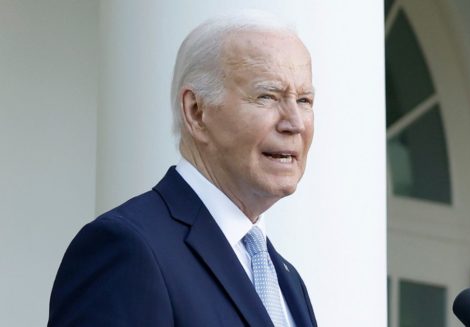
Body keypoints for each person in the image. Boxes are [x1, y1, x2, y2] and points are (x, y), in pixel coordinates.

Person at [48, 10, 317, 327]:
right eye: (267, 96)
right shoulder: (128, 248)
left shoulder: (287, 279)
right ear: (196, 112)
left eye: (304, 100)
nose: (295, 123)